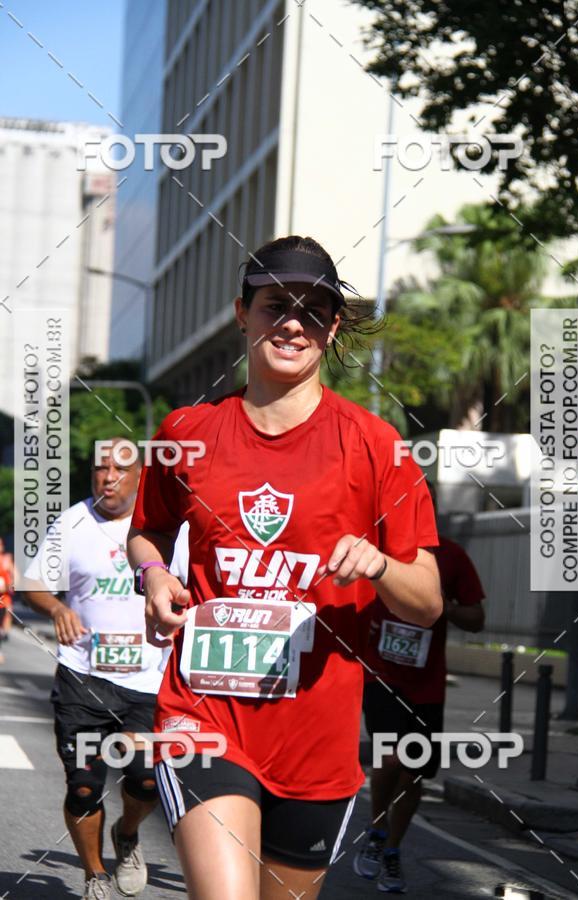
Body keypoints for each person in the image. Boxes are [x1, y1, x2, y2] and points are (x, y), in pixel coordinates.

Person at [127, 235, 443, 900]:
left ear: (330, 329)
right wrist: (154, 576)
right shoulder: (187, 430)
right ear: (243, 313)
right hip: (204, 715)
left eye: (311, 310)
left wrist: (380, 563)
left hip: (316, 742)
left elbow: (427, 602)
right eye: (275, 305)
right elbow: (149, 531)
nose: (292, 322)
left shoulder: (377, 446)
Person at [24, 440, 168, 900]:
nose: (108, 477)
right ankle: (94, 875)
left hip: (149, 679)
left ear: (141, 476)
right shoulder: (70, 523)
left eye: (120, 469)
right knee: (85, 788)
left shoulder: (168, 528)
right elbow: (34, 586)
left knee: (145, 779)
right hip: (83, 675)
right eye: (100, 469)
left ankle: (126, 835)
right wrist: (56, 609)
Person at [354, 483, 485, 893]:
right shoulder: (370, 550)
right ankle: (377, 829)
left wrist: (443, 606)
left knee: (415, 770)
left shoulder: (450, 556)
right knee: (392, 758)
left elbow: (477, 618)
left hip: (427, 685)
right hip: (380, 675)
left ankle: (391, 849)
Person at [0, 536, 15, 650]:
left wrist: (12, 585)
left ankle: (5, 633)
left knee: (7, 613)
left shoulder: (7, 559)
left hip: (4, 595)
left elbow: (15, 574)